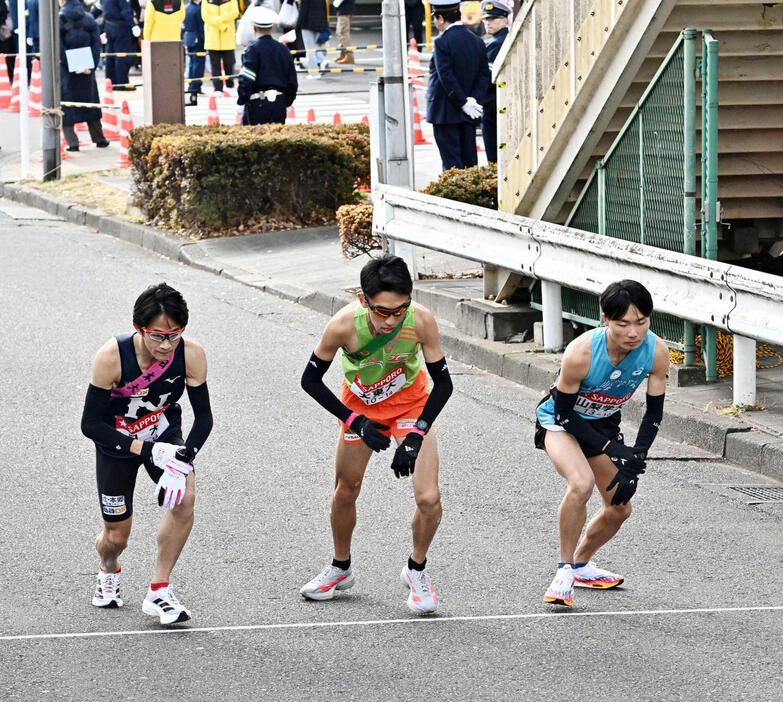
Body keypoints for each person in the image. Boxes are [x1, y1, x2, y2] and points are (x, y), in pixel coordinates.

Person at [299, 254, 454, 615]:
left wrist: (416, 434)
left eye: (399, 310)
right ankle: (340, 567)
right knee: (345, 491)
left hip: (410, 408)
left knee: (429, 498)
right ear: (363, 300)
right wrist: (355, 421)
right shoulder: (343, 326)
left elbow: (443, 383)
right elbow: (309, 380)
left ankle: (416, 570)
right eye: (381, 311)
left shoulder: (421, 321)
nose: (390, 320)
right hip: (361, 409)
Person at [80, 283, 213, 624]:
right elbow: (90, 424)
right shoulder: (111, 357)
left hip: (164, 435)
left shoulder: (191, 353)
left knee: (184, 499)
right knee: (116, 536)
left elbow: (204, 417)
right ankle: (108, 568)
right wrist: (145, 449)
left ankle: (159, 590)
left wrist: (185, 456)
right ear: (139, 327)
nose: (166, 345)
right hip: (118, 443)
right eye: (157, 336)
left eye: (175, 335)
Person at [534, 280, 668, 607]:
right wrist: (611, 449)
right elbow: (566, 414)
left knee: (620, 507)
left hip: (603, 423)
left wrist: (636, 459)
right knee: (580, 484)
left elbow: (653, 414)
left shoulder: (657, 351)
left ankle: (581, 564)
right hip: (560, 421)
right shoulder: (581, 352)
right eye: (623, 324)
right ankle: (564, 571)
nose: (633, 332)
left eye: (641, 322)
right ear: (605, 320)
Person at [426, 0, 489, 171]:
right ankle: (472, 196)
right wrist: (473, 100)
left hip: (445, 112)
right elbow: (484, 74)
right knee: (470, 162)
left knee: (452, 165)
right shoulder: (476, 40)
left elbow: (445, 76)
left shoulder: (442, 42)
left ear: (440, 18)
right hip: (469, 112)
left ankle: (456, 198)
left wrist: (462, 101)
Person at [59, 0, 110, 151]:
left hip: (68, 70)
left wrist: (70, 64)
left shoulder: (59, 19)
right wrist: (92, 65)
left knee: (67, 104)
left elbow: (58, 45)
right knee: (91, 103)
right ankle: (99, 138)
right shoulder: (89, 18)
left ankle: (72, 143)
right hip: (87, 67)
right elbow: (96, 43)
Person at [237, 6, 297, 125]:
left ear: (254, 28)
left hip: (257, 103)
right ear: (272, 27)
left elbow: (247, 80)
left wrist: (241, 100)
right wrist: (287, 102)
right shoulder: (284, 49)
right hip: (279, 103)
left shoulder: (252, 50)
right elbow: (292, 81)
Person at [480, 0, 509, 164]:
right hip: (499, 103)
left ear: (504, 20)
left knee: (494, 157)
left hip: (493, 105)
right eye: (486, 19)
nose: (488, 23)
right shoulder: (502, 39)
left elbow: (487, 79)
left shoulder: (496, 44)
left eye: (493, 19)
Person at [103, 0, 141, 90]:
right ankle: (122, 83)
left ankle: (111, 82)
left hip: (109, 26)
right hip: (121, 28)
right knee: (122, 57)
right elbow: (125, 11)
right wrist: (133, 25)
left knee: (110, 57)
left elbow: (100, 8)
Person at [202, 0, 238, 92]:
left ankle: (230, 85)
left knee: (229, 63)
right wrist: (221, 25)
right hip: (212, 38)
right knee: (215, 66)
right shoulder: (206, 1)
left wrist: (218, 19)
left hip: (227, 37)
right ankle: (218, 88)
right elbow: (205, 16)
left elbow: (235, 13)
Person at [295, 0, 328, 80]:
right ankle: (322, 60)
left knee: (310, 49)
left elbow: (303, 11)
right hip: (319, 23)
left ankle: (314, 73)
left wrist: (297, 26)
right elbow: (324, 9)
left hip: (307, 24)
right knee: (314, 46)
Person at [183, 0, 205, 104]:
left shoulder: (186, 8)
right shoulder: (199, 10)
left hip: (188, 37)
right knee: (198, 64)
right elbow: (201, 27)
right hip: (198, 38)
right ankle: (195, 86)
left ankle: (191, 85)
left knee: (191, 63)